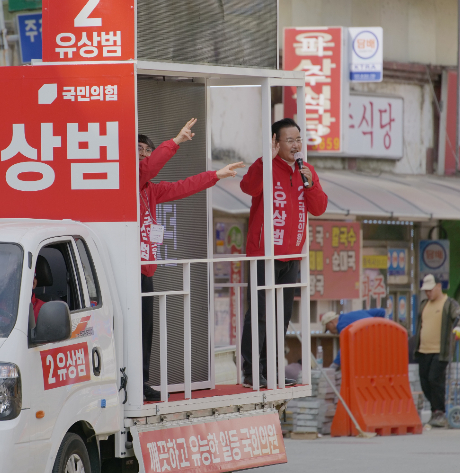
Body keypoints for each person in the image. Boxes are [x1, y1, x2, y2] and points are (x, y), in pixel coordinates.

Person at [139, 118, 244, 401]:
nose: (143, 156)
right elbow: (147, 169)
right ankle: (133, 382)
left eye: (147, 151)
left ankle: (142, 380)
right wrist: (176, 141)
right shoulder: (129, 180)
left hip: (146, 269)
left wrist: (216, 175)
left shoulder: (151, 189)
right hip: (127, 270)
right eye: (138, 151)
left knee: (145, 329)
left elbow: (184, 186)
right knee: (133, 328)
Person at [239, 118, 328, 388]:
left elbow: (319, 208)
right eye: (289, 140)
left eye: (298, 140)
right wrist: (266, 159)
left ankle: (274, 371)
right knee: (261, 314)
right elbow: (248, 187)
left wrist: (310, 184)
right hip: (264, 255)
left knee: (282, 317)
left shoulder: (306, 170)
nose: (295, 145)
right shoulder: (265, 166)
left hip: (291, 257)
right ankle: (252, 371)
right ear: (276, 142)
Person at [414, 274, 460, 428]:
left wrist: (459, 327)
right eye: (426, 290)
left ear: (438, 287)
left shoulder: (448, 304)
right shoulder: (424, 304)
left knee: (434, 379)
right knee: (424, 381)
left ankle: (440, 411)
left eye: (430, 290)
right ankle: (434, 410)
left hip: (440, 351)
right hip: (423, 350)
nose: (428, 293)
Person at [320, 308, 386, 368]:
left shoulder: (341, 325)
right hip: (384, 337)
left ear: (331, 323)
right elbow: (382, 312)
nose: (331, 332)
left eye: (328, 329)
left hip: (372, 343)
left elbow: (345, 346)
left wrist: (335, 364)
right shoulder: (356, 313)